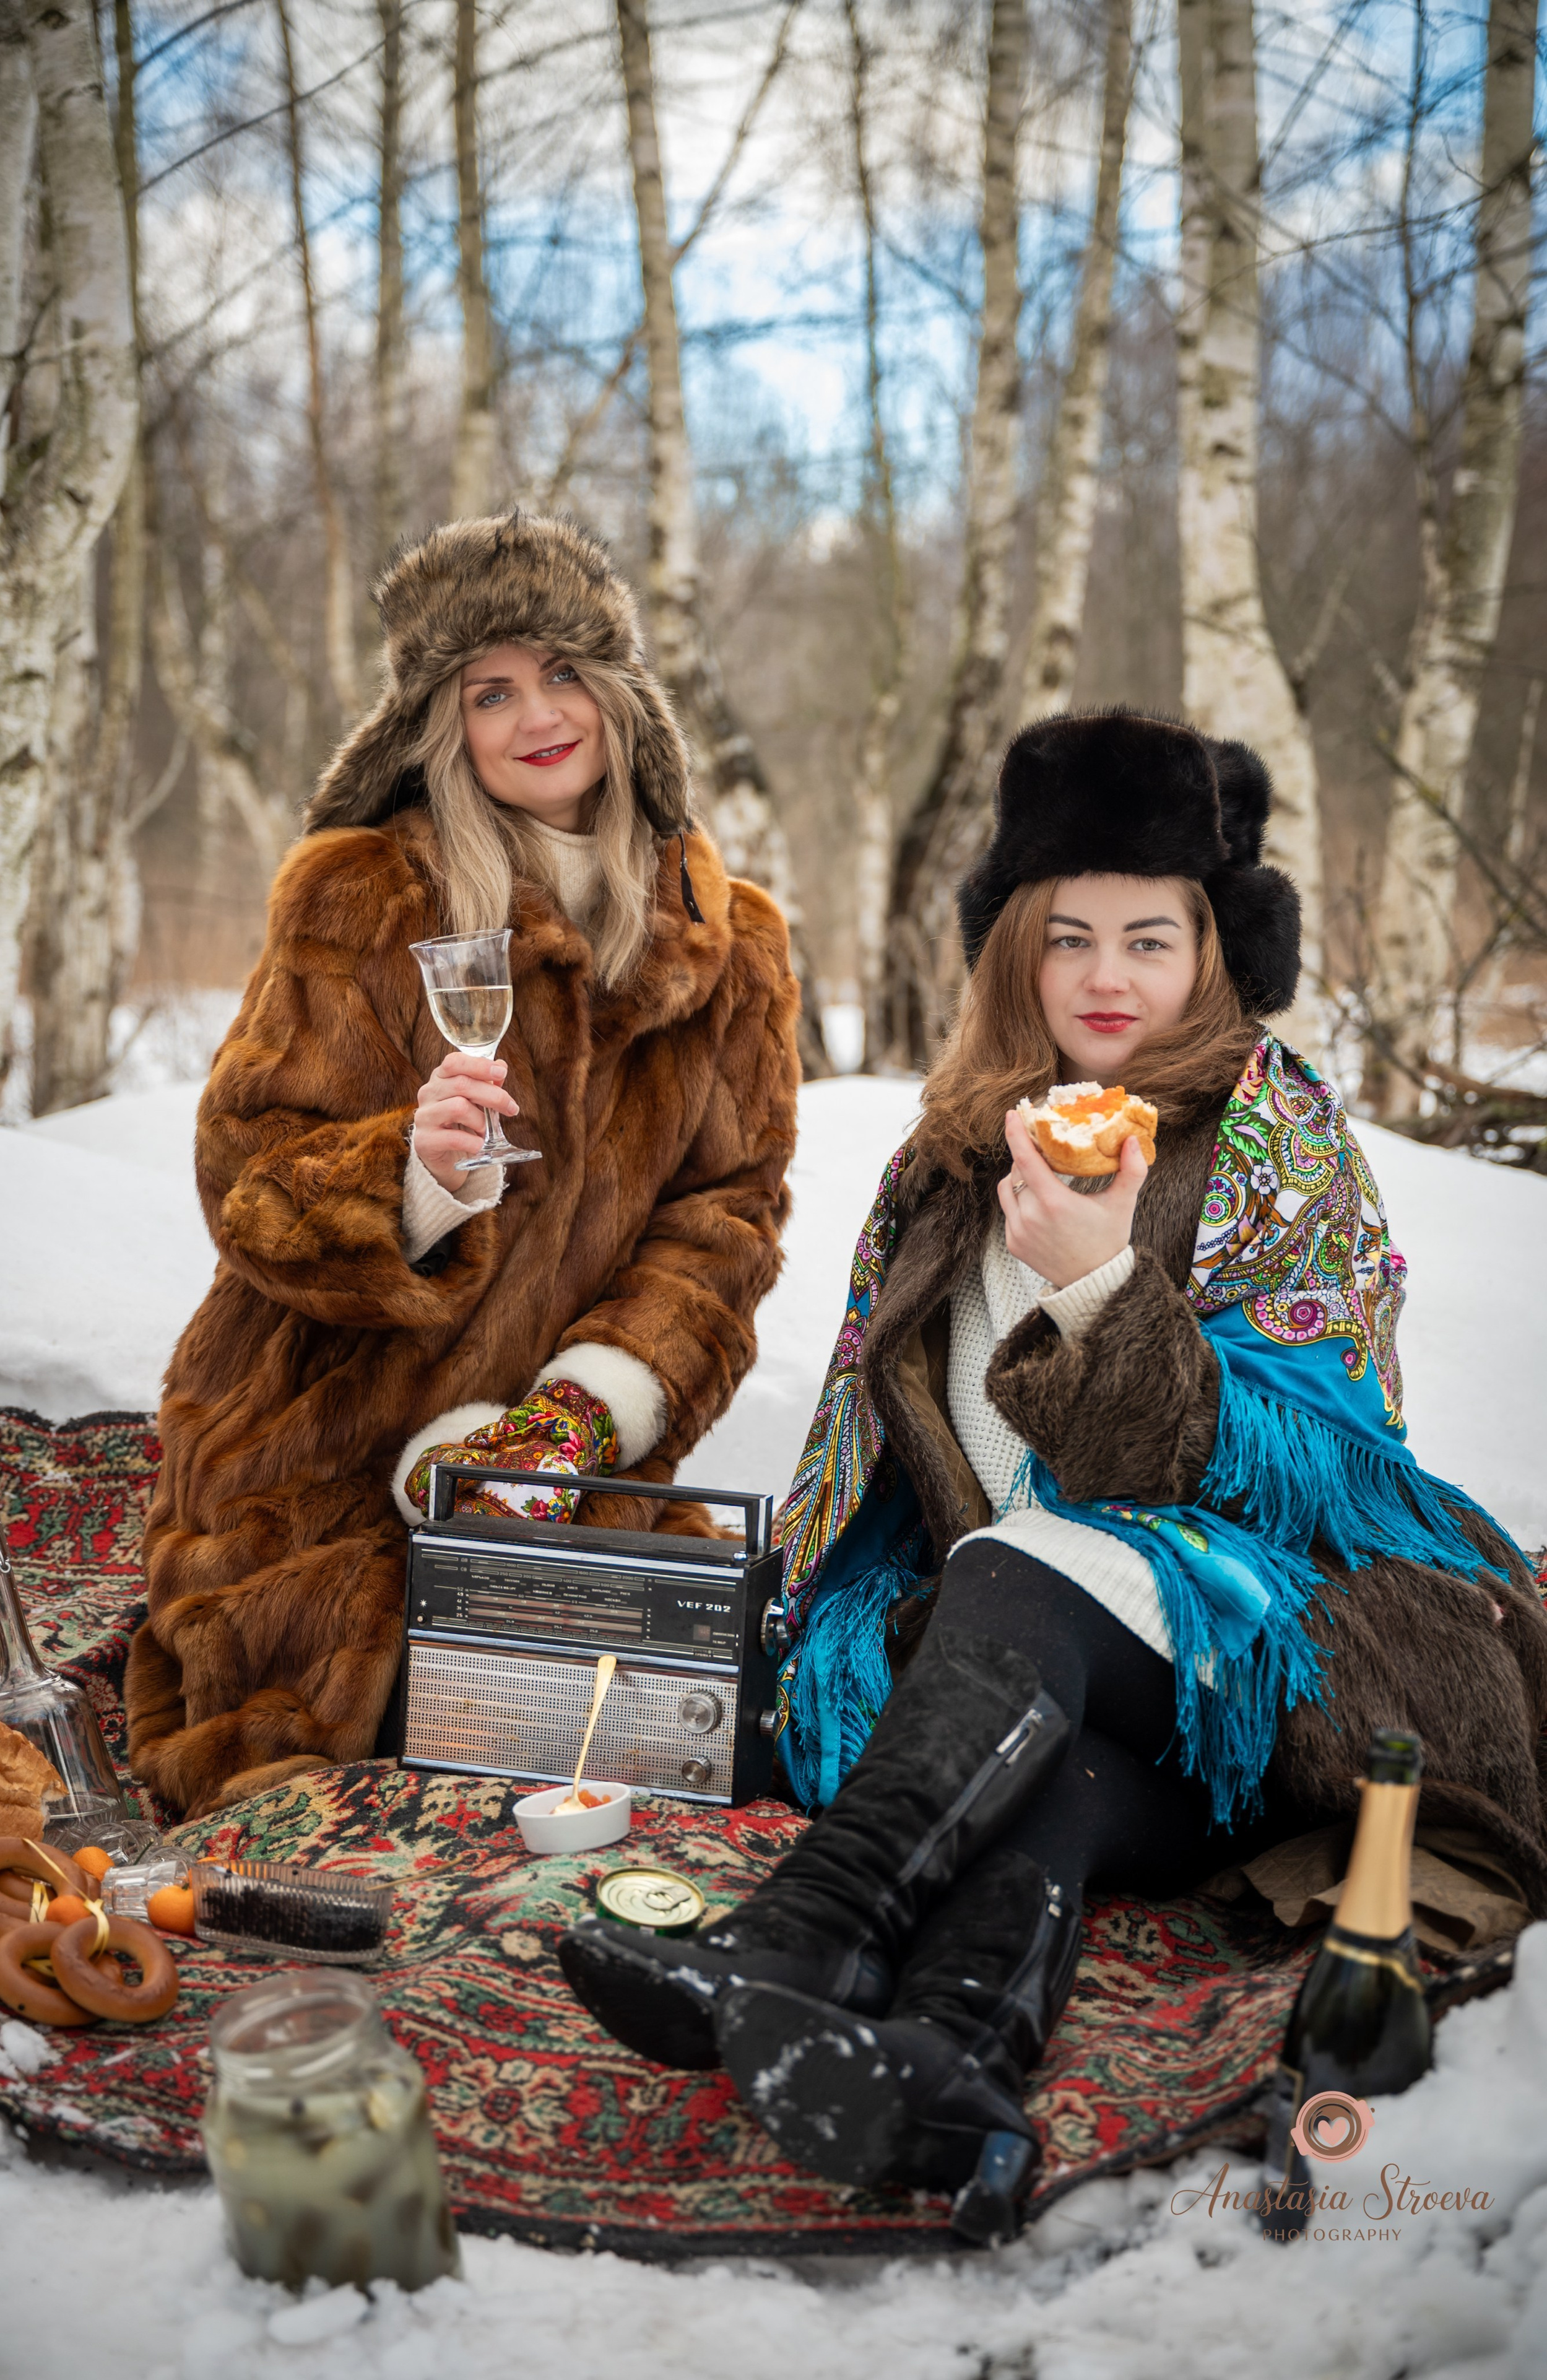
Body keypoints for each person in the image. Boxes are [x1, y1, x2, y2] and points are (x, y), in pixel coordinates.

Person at [560, 707, 1547, 2243]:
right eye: (1067, 935)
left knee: (1023, 1559)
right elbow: (868, 1459)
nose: (1105, 977)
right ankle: (955, 2066)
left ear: (1208, 950)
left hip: (1271, 1668)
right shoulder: (945, 1161)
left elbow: (1308, 1483)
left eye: (1148, 938)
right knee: (1055, 1779)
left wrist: (1099, 1287)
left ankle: (801, 1933)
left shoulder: (1279, 1142)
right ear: (1015, 949)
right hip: (1059, 1704)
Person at [128, 512, 801, 1818]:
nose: (536, 715)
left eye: (562, 672)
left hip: (570, 1465)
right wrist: (409, 1181)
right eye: (488, 691)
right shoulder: (365, 893)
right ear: (443, 725)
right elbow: (246, 1174)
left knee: (710, 1732)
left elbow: (727, 1217)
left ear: (620, 694)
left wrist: (576, 1416)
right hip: (329, 1450)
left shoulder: (731, 946)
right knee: (383, 1734)